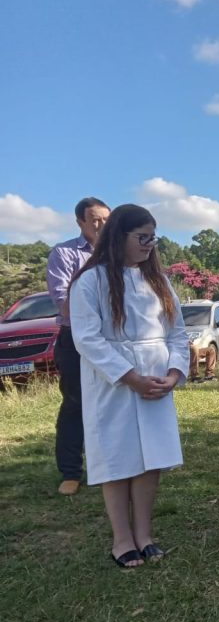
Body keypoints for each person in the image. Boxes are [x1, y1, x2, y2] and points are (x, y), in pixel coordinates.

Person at [69, 204, 188, 568]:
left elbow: (178, 334)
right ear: (119, 236)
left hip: (155, 380)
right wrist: (130, 377)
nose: (150, 245)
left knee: (150, 459)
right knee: (119, 458)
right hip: (115, 383)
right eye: (143, 237)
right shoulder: (91, 281)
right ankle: (122, 539)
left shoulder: (159, 281)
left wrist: (172, 373)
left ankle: (145, 534)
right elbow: (87, 339)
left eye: (154, 237)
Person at [46, 196, 111, 495]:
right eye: (95, 219)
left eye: (106, 219)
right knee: (76, 403)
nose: (101, 225)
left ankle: (110, 466)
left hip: (112, 339)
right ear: (80, 222)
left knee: (112, 402)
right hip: (74, 339)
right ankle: (71, 472)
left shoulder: (119, 253)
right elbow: (64, 302)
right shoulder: (65, 253)